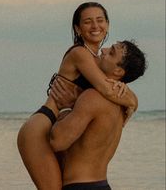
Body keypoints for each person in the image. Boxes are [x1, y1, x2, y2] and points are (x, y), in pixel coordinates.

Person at [17, 2, 138, 190]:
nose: (95, 26)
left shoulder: (101, 60)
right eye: (88, 22)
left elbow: (109, 85)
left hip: (61, 124)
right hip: (42, 125)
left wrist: (130, 96)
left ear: (107, 25)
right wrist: (131, 102)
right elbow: (106, 89)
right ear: (78, 28)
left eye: (100, 20)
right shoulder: (79, 53)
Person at [50, 40, 147, 190]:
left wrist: (64, 108)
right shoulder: (123, 107)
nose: (104, 50)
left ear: (118, 72)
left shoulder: (92, 97)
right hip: (102, 184)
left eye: (111, 52)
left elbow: (57, 141)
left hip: (80, 186)